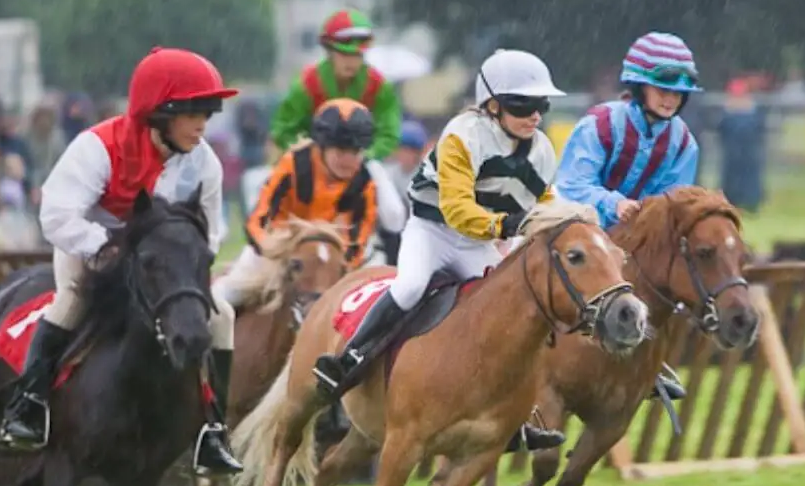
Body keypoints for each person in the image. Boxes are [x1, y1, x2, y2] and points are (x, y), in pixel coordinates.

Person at [0, 47, 243, 474]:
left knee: (221, 316)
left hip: (161, 268)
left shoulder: (205, 163)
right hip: (93, 250)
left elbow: (211, 230)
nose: (203, 124)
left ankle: (213, 432)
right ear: (159, 114)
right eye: (192, 112)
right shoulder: (97, 147)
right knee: (70, 300)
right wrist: (108, 248)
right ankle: (28, 405)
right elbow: (56, 215)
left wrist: (191, 263)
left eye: (208, 111)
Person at [312, 49, 571, 452]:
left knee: (509, 308)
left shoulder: (541, 149)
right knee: (412, 286)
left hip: (480, 242)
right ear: (493, 104)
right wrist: (507, 225)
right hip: (433, 231)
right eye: (524, 105)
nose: (536, 115)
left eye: (542, 105)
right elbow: (456, 209)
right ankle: (349, 361)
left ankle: (513, 413)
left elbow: (545, 200)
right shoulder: (462, 135)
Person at [554, 31, 704, 401]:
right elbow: (573, 184)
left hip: (626, 242)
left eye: (678, 93)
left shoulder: (684, 143)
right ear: (638, 86)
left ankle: (650, 361)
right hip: (573, 223)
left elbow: (668, 204)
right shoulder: (600, 124)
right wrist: (614, 204)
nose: (671, 99)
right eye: (662, 89)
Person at [215, 98, 378, 313]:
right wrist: (274, 249)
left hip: (329, 260)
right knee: (222, 297)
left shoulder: (364, 183)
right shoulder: (292, 165)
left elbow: (357, 244)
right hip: (276, 251)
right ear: (321, 146)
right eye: (340, 151)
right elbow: (259, 220)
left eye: (355, 152)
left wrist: (336, 262)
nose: (349, 160)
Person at [271, 8, 402, 160]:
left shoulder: (378, 86)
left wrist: (367, 156)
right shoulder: (306, 85)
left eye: (357, 54)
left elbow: (389, 133)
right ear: (329, 51)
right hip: (312, 167)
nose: (351, 61)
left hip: (363, 165)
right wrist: (310, 153)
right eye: (344, 53)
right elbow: (282, 131)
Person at [375, 118, 429, 265]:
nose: (402, 155)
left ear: (417, 153)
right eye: (401, 149)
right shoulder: (389, 171)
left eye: (408, 151)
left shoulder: (426, 174)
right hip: (394, 233)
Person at [717, 79, 766, 212]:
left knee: (749, 179)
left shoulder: (753, 111)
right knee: (731, 179)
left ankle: (751, 203)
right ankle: (732, 202)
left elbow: (759, 131)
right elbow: (722, 131)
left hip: (749, 152)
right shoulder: (727, 112)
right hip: (732, 152)